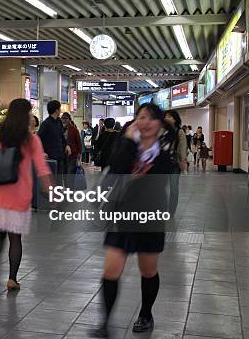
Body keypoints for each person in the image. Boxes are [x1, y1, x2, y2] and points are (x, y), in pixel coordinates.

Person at [94, 103, 173, 337]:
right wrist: (128, 143)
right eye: (141, 117)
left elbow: (160, 178)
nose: (145, 122)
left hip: (150, 216)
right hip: (122, 214)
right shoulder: (125, 143)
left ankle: (146, 314)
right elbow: (115, 168)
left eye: (150, 118)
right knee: (111, 270)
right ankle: (105, 323)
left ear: (159, 123)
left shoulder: (164, 150)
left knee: (148, 271)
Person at [0, 99, 52, 290]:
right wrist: (52, 193)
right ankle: (12, 279)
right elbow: (42, 169)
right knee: (15, 238)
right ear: (25, 115)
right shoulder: (31, 140)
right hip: (18, 195)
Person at [37, 100, 70, 182]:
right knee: (51, 180)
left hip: (60, 155)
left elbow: (62, 136)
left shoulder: (59, 121)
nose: (60, 111)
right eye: (59, 109)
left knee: (59, 179)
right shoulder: (46, 124)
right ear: (56, 110)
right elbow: (38, 139)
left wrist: (67, 145)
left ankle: (58, 193)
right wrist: (42, 152)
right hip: (50, 157)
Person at [163, 110, 187, 215]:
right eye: (166, 116)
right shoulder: (161, 130)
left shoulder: (179, 132)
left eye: (170, 116)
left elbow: (182, 147)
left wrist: (183, 161)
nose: (167, 118)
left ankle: (171, 210)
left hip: (174, 163)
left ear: (175, 119)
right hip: (162, 162)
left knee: (173, 187)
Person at [61, 112, 82, 183]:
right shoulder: (59, 129)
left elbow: (79, 142)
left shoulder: (74, 130)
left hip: (73, 155)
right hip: (62, 155)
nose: (63, 120)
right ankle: (67, 188)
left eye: (65, 118)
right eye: (62, 118)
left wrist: (79, 153)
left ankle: (70, 190)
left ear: (69, 120)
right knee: (64, 173)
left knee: (70, 173)